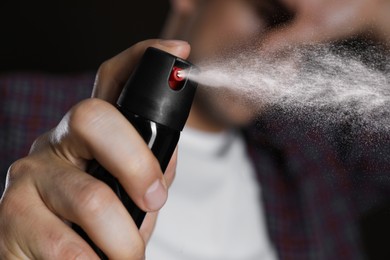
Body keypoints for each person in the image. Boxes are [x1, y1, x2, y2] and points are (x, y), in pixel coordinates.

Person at [1, 0, 389, 259]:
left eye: (314, 46)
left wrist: (371, 9)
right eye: (270, 12)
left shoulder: (318, 166)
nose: (280, 58)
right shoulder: (13, 111)